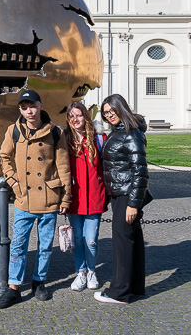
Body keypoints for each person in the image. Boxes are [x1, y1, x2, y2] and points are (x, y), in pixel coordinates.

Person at [0, 89, 71, 309]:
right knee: (18, 245)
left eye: (32, 106)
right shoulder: (13, 131)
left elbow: (63, 167)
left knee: (45, 246)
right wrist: (14, 182)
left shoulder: (56, 132)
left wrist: (66, 199)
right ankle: (14, 287)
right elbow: (3, 156)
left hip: (49, 197)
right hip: (24, 198)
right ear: (20, 109)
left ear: (41, 105)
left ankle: (39, 282)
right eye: (24, 107)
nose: (29, 111)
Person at [94, 93, 151, 305]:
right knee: (133, 240)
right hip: (121, 193)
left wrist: (133, 204)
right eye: (106, 112)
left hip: (127, 195)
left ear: (122, 108)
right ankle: (135, 287)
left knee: (122, 243)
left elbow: (140, 171)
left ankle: (119, 292)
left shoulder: (131, 134)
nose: (109, 115)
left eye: (112, 111)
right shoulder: (119, 131)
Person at [64, 102, 108, 292]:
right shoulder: (65, 140)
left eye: (79, 115)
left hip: (94, 197)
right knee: (78, 239)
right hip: (74, 198)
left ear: (86, 117)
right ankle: (80, 272)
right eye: (72, 116)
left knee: (91, 239)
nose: (75, 120)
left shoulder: (99, 139)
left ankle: (91, 270)